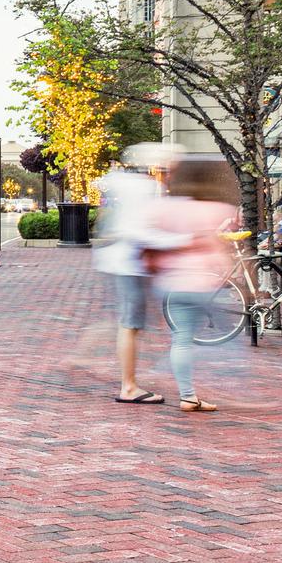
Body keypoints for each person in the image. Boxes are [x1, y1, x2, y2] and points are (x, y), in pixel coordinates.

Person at [150, 157, 240, 414]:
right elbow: (219, 247)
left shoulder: (168, 207)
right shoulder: (216, 208)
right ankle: (241, 391)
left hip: (172, 283)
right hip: (202, 283)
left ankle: (188, 395)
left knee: (182, 339)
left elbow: (156, 237)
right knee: (230, 339)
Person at [95, 144, 175, 404]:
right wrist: (183, 240)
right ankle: (128, 386)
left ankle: (128, 382)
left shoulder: (130, 184)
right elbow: (139, 230)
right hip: (130, 263)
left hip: (127, 262)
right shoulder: (144, 188)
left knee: (129, 323)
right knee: (130, 324)